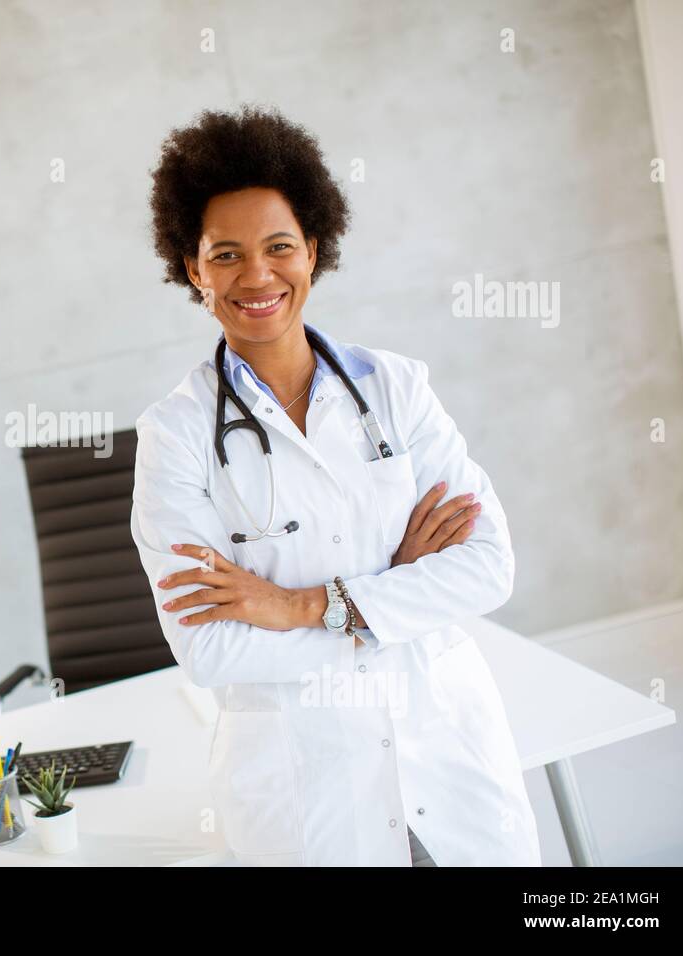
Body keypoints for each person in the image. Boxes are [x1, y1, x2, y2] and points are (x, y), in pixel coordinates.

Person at [130, 104, 541, 866]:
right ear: (193, 269)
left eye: (279, 247)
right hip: (308, 796)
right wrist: (396, 593)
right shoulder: (176, 437)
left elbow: (488, 567)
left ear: (313, 251)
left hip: (448, 756)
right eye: (226, 255)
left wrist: (298, 606)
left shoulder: (396, 389)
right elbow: (210, 648)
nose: (257, 275)